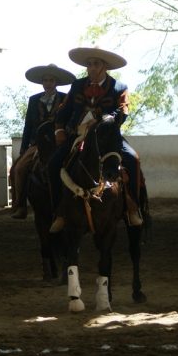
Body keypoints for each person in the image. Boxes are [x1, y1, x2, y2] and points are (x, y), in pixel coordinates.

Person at [49, 47, 143, 232]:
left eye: (96, 64)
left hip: (107, 137)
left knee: (133, 159)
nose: (91, 67)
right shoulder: (77, 86)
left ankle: (133, 207)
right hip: (78, 134)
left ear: (105, 67)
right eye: (89, 64)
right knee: (53, 164)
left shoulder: (119, 87)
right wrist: (59, 129)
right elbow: (64, 109)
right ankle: (59, 212)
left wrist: (107, 120)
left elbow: (123, 110)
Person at [9, 64, 74, 219]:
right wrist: (24, 147)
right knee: (18, 169)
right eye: (45, 80)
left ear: (56, 82)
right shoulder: (33, 100)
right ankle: (21, 205)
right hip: (38, 143)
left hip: (60, 142)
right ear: (42, 82)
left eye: (51, 80)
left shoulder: (66, 98)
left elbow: (71, 120)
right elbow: (28, 125)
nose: (48, 83)